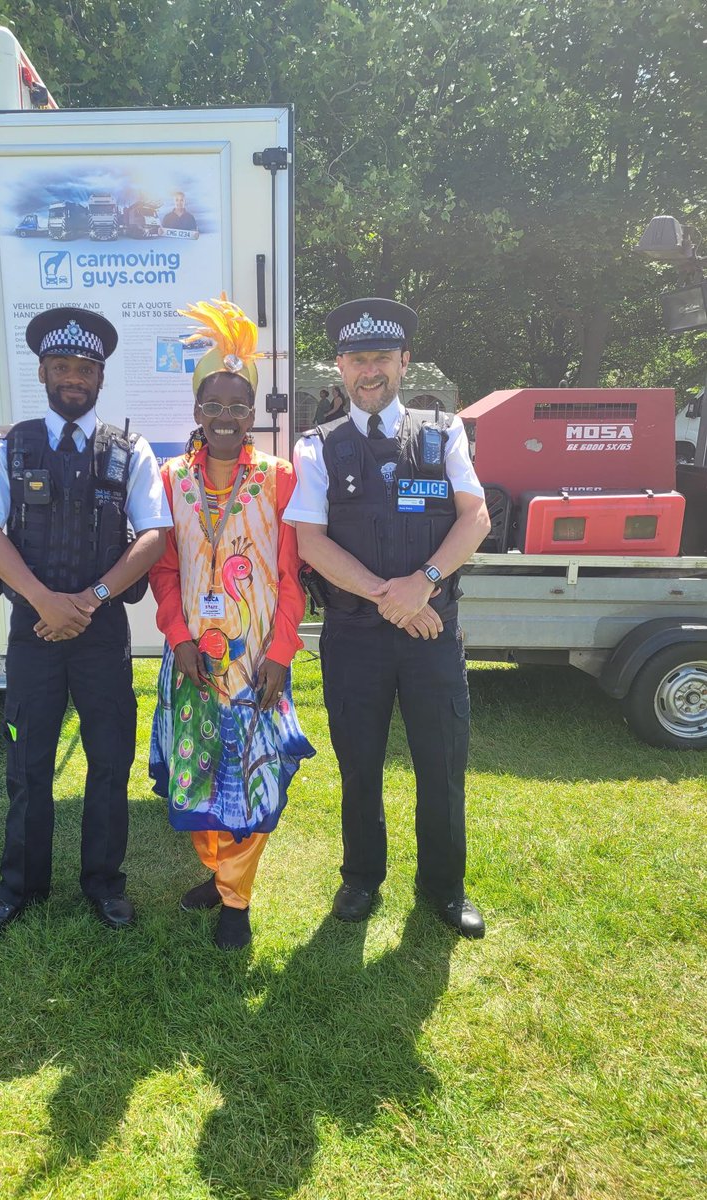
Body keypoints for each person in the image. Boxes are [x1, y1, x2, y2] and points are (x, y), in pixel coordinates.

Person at [0, 307, 171, 938]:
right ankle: (19, 885)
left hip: (101, 629)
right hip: (33, 630)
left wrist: (89, 599)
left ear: (100, 377)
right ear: (44, 372)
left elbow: (156, 535)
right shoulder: (7, 444)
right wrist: (41, 601)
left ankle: (104, 883)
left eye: (85, 369)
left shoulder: (129, 450)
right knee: (28, 765)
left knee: (109, 761)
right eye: (62, 367)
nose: (73, 378)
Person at [286, 298, 491, 937]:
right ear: (340, 367)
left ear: (404, 361)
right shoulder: (317, 446)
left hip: (431, 632)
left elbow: (475, 517)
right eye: (356, 359)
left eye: (381, 357)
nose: (368, 371)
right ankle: (361, 878)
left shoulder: (443, 432)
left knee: (441, 762)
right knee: (359, 764)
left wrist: (423, 585)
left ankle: (444, 887)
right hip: (355, 636)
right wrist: (390, 596)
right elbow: (310, 541)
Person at [149, 297, 314, 949]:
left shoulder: (278, 480)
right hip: (190, 662)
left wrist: (281, 653)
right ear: (197, 411)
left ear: (254, 413)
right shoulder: (171, 480)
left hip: (256, 665)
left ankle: (237, 900)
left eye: (237, 405)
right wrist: (180, 638)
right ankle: (218, 873)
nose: (225, 416)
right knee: (194, 773)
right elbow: (164, 572)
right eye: (213, 404)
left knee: (250, 780)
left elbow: (294, 577)